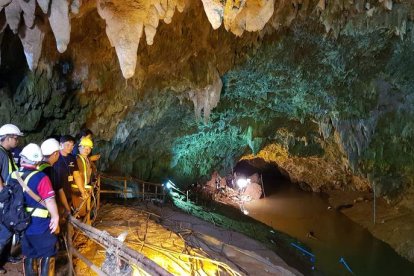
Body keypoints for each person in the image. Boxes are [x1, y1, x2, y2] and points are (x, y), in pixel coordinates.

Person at [7, 143, 59, 276]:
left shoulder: (12, 176)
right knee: (48, 253)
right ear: (38, 161)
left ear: (22, 158)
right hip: (39, 224)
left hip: (21, 224)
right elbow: (49, 200)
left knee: (29, 254)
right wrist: (55, 217)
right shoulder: (41, 177)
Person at [0, 124, 24, 274]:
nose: (17, 141)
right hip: (3, 199)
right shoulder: (0, 153)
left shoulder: (7, 153)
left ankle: (6, 256)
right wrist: (3, 195)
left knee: (8, 229)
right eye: (16, 138)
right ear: (8, 138)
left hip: (8, 196)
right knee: (3, 231)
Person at [39, 138, 71, 219]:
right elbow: (60, 191)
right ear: (55, 153)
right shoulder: (51, 171)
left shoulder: (36, 167)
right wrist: (67, 209)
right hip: (49, 211)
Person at [52, 135, 85, 211]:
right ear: (60, 145)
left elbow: (76, 175)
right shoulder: (55, 157)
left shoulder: (72, 158)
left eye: (72, 145)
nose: (70, 147)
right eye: (67, 145)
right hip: (56, 191)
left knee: (67, 210)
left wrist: (82, 191)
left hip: (67, 189)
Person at [74, 137, 94, 224]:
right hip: (77, 188)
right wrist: (81, 189)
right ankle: (80, 227)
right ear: (79, 148)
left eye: (88, 148)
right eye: (84, 148)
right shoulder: (77, 159)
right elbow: (76, 175)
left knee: (85, 208)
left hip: (85, 186)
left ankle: (85, 224)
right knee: (80, 210)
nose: (86, 150)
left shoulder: (87, 159)